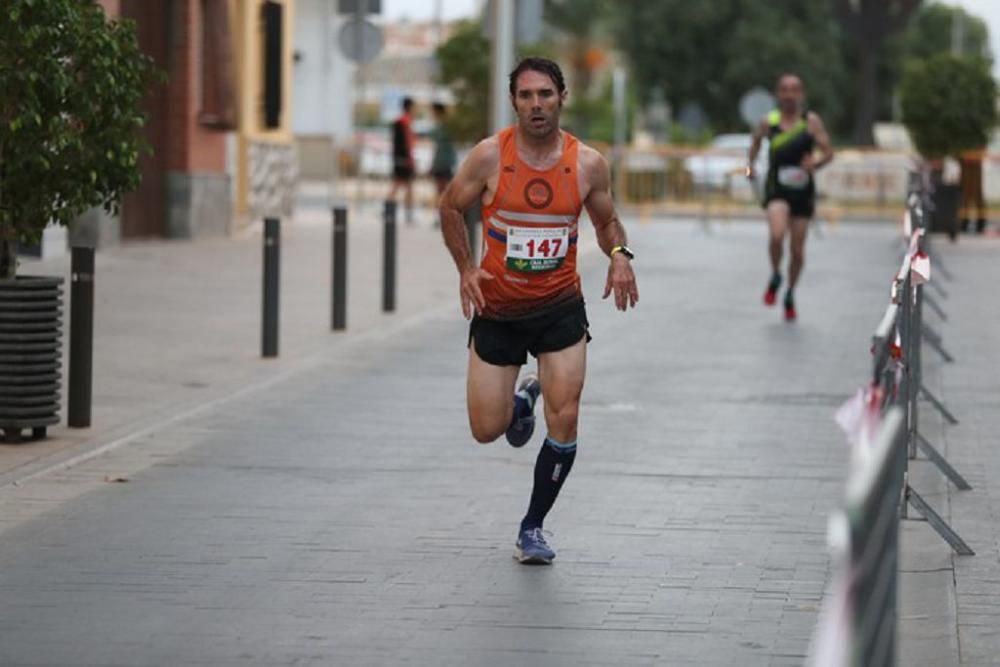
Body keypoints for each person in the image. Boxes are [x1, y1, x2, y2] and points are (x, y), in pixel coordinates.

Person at [439, 57, 638, 565]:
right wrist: (466, 269)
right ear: (514, 102)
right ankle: (521, 403)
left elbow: (608, 222)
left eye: (545, 94)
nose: (536, 105)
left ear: (561, 98)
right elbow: (449, 206)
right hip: (498, 307)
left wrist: (619, 258)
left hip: (559, 309)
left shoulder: (587, 164)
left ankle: (533, 526)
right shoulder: (488, 158)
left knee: (566, 417)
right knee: (487, 429)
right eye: (526, 96)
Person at [747, 74, 834, 321]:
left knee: (797, 251)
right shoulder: (769, 122)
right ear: (778, 94)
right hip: (777, 189)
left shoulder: (810, 122)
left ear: (802, 94)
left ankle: (790, 292)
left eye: (794, 89)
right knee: (776, 234)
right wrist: (750, 166)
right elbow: (754, 143)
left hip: (803, 192)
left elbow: (829, 152)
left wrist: (815, 163)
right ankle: (776, 273)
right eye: (784, 89)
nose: (789, 94)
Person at [389, 97, 416, 224]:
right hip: (405, 158)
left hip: (397, 157)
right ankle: (408, 214)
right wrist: (410, 158)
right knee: (408, 186)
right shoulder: (406, 121)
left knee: (397, 184)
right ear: (409, 107)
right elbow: (408, 141)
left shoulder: (397, 121)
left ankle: (387, 208)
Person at [430, 102, 457, 228]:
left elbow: (440, 148)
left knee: (443, 192)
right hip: (446, 162)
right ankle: (443, 217)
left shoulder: (442, 127)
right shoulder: (446, 126)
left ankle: (443, 217)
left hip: (443, 163)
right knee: (444, 191)